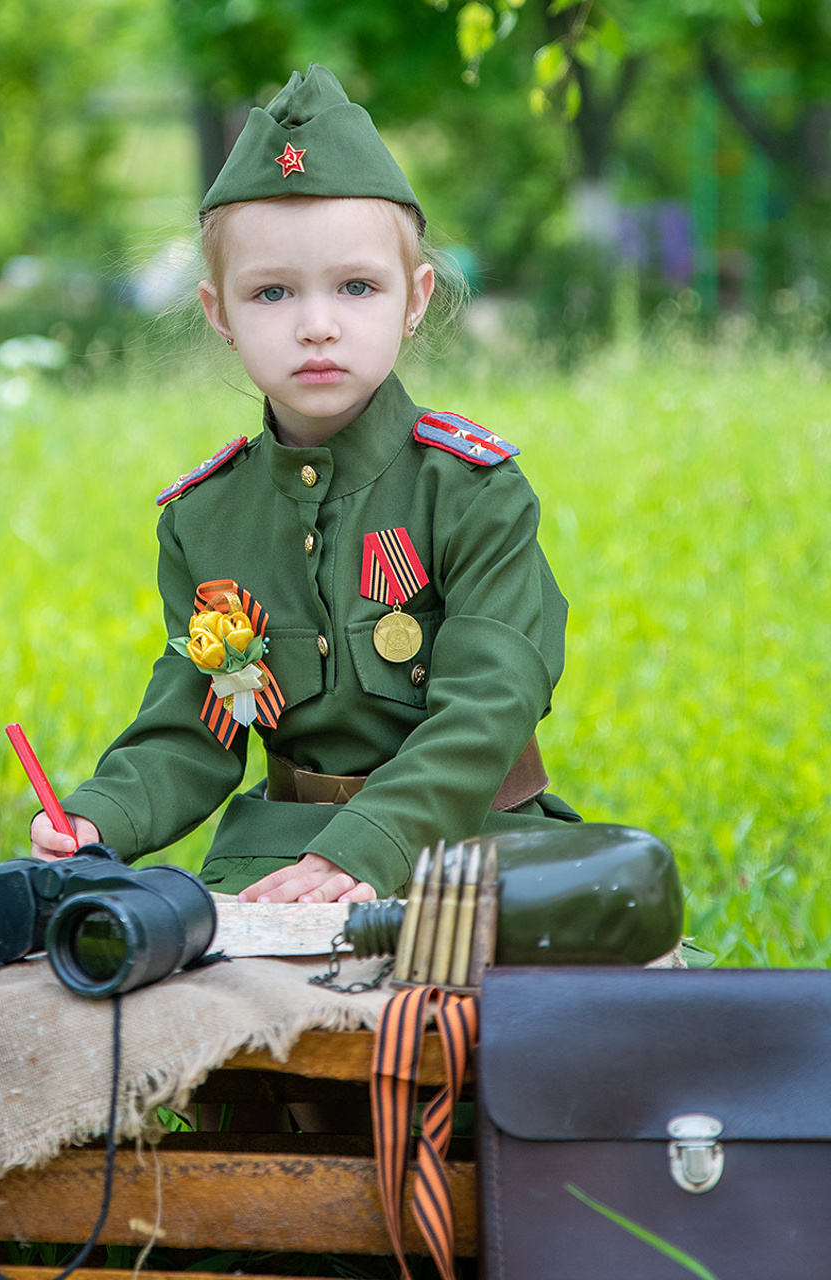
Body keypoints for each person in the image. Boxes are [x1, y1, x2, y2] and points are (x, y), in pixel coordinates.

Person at [30, 64, 579, 904]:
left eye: (357, 287)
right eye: (272, 291)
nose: (316, 323)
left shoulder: (472, 491)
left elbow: (490, 704)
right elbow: (200, 722)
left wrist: (369, 849)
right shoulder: (206, 522)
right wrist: (100, 818)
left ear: (414, 298)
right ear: (220, 314)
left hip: (469, 841)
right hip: (279, 856)